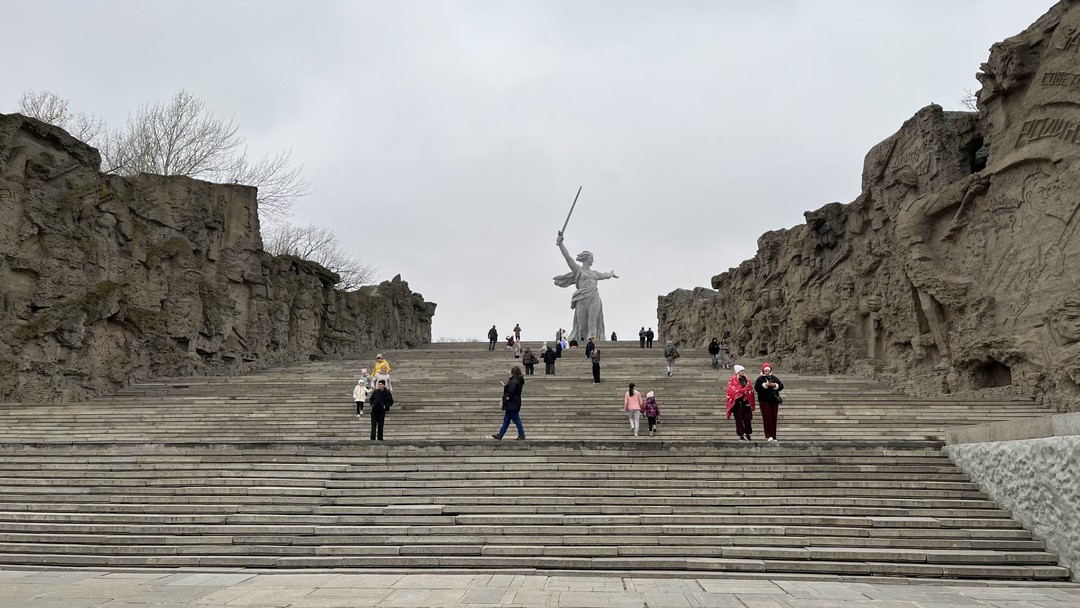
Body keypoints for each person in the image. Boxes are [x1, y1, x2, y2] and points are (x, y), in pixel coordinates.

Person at [553, 233, 619, 343]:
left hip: (594, 297)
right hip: (581, 298)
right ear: (586, 259)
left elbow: (605, 275)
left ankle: (591, 343)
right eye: (592, 258)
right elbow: (568, 258)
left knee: (592, 323)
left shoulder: (595, 274)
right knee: (582, 326)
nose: (593, 260)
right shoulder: (578, 270)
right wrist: (560, 243)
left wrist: (611, 274)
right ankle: (582, 344)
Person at [492, 366, 525, 440]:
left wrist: (507, 397)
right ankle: (500, 435)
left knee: (516, 419)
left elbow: (511, 391)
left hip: (512, 403)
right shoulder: (517, 380)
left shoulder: (514, 381)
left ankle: (522, 434)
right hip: (514, 403)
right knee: (506, 420)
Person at [754, 362, 785, 442]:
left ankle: (774, 436)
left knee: (773, 418)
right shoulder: (760, 379)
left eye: (768, 371)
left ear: (770, 370)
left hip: (774, 401)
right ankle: (768, 435)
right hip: (764, 401)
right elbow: (757, 388)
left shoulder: (774, 378)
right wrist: (765, 385)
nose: (767, 372)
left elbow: (781, 386)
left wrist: (774, 385)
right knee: (767, 418)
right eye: (765, 371)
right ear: (763, 371)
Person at [726, 364, 756, 441]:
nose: (743, 372)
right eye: (741, 371)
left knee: (748, 419)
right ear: (737, 372)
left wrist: (746, 391)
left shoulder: (746, 380)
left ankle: (747, 433)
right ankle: (741, 434)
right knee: (739, 420)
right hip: (737, 403)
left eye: (743, 371)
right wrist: (742, 391)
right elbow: (731, 390)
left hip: (746, 402)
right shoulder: (732, 380)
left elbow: (750, 388)